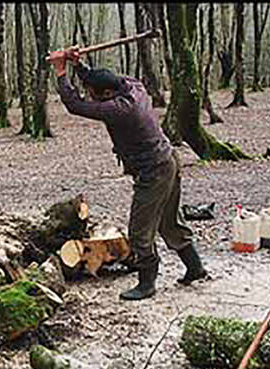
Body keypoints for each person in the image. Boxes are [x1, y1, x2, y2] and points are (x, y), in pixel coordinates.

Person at [48, 48, 209, 301]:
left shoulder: (121, 109)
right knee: (169, 222)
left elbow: (75, 105)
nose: (93, 97)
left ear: (108, 94)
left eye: (95, 95)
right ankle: (195, 267)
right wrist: (78, 66)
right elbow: (101, 80)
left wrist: (60, 72)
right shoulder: (133, 86)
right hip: (167, 160)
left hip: (154, 170)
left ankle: (147, 283)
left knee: (139, 231)